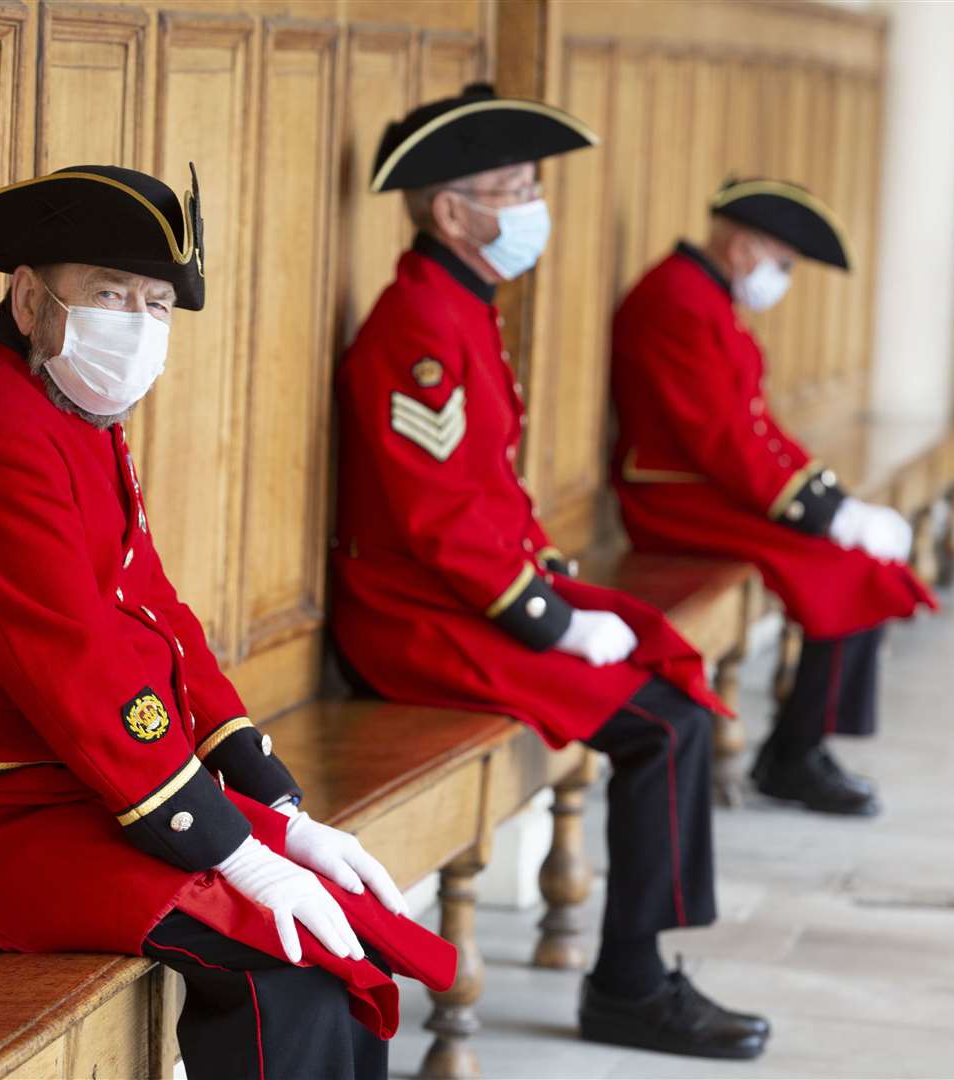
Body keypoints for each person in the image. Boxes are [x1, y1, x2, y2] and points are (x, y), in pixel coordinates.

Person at [0, 163, 453, 1080]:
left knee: (335, 932)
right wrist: (229, 844)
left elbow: (154, 608)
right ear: (29, 301)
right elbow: (79, 665)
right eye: (109, 294)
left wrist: (264, 790)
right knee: (286, 960)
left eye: (157, 305)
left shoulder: (70, 412)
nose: (138, 327)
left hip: (76, 793)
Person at [330, 84, 770, 1061]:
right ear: (451, 214)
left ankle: (638, 970)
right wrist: (545, 618)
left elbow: (478, 497)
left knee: (672, 685)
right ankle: (630, 984)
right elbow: (440, 519)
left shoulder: (458, 305)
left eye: (530, 183)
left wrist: (551, 597)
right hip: (413, 618)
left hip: (461, 596)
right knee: (667, 723)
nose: (532, 203)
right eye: (512, 186)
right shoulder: (418, 326)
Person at [610, 178, 937, 817]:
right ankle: (794, 757)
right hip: (675, 500)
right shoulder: (678, 299)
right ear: (743, 247)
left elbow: (751, 424)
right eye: (781, 263)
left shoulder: (701, 294)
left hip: (706, 488)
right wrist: (823, 512)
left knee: (859, 566)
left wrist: (831, 502)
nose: (780, 279)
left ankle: (800, 748)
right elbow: (722, 440)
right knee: (848, 573)